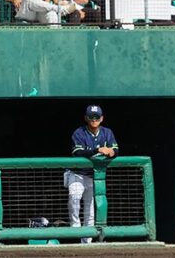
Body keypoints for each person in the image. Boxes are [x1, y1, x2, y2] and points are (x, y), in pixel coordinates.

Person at [67, 104, 118, 244]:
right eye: (91, 117)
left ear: (101, 118)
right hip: (76, 173)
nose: (94, 119)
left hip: (92, 175)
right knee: (74, 198)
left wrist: (111, 152)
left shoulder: (107, 133)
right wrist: (98, 150)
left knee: (89, 208)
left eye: (96, 117)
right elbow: (77, 152)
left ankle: (87, 242)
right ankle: (75, 232)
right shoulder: (79, 133)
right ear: (86, 118)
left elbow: (115, 149)